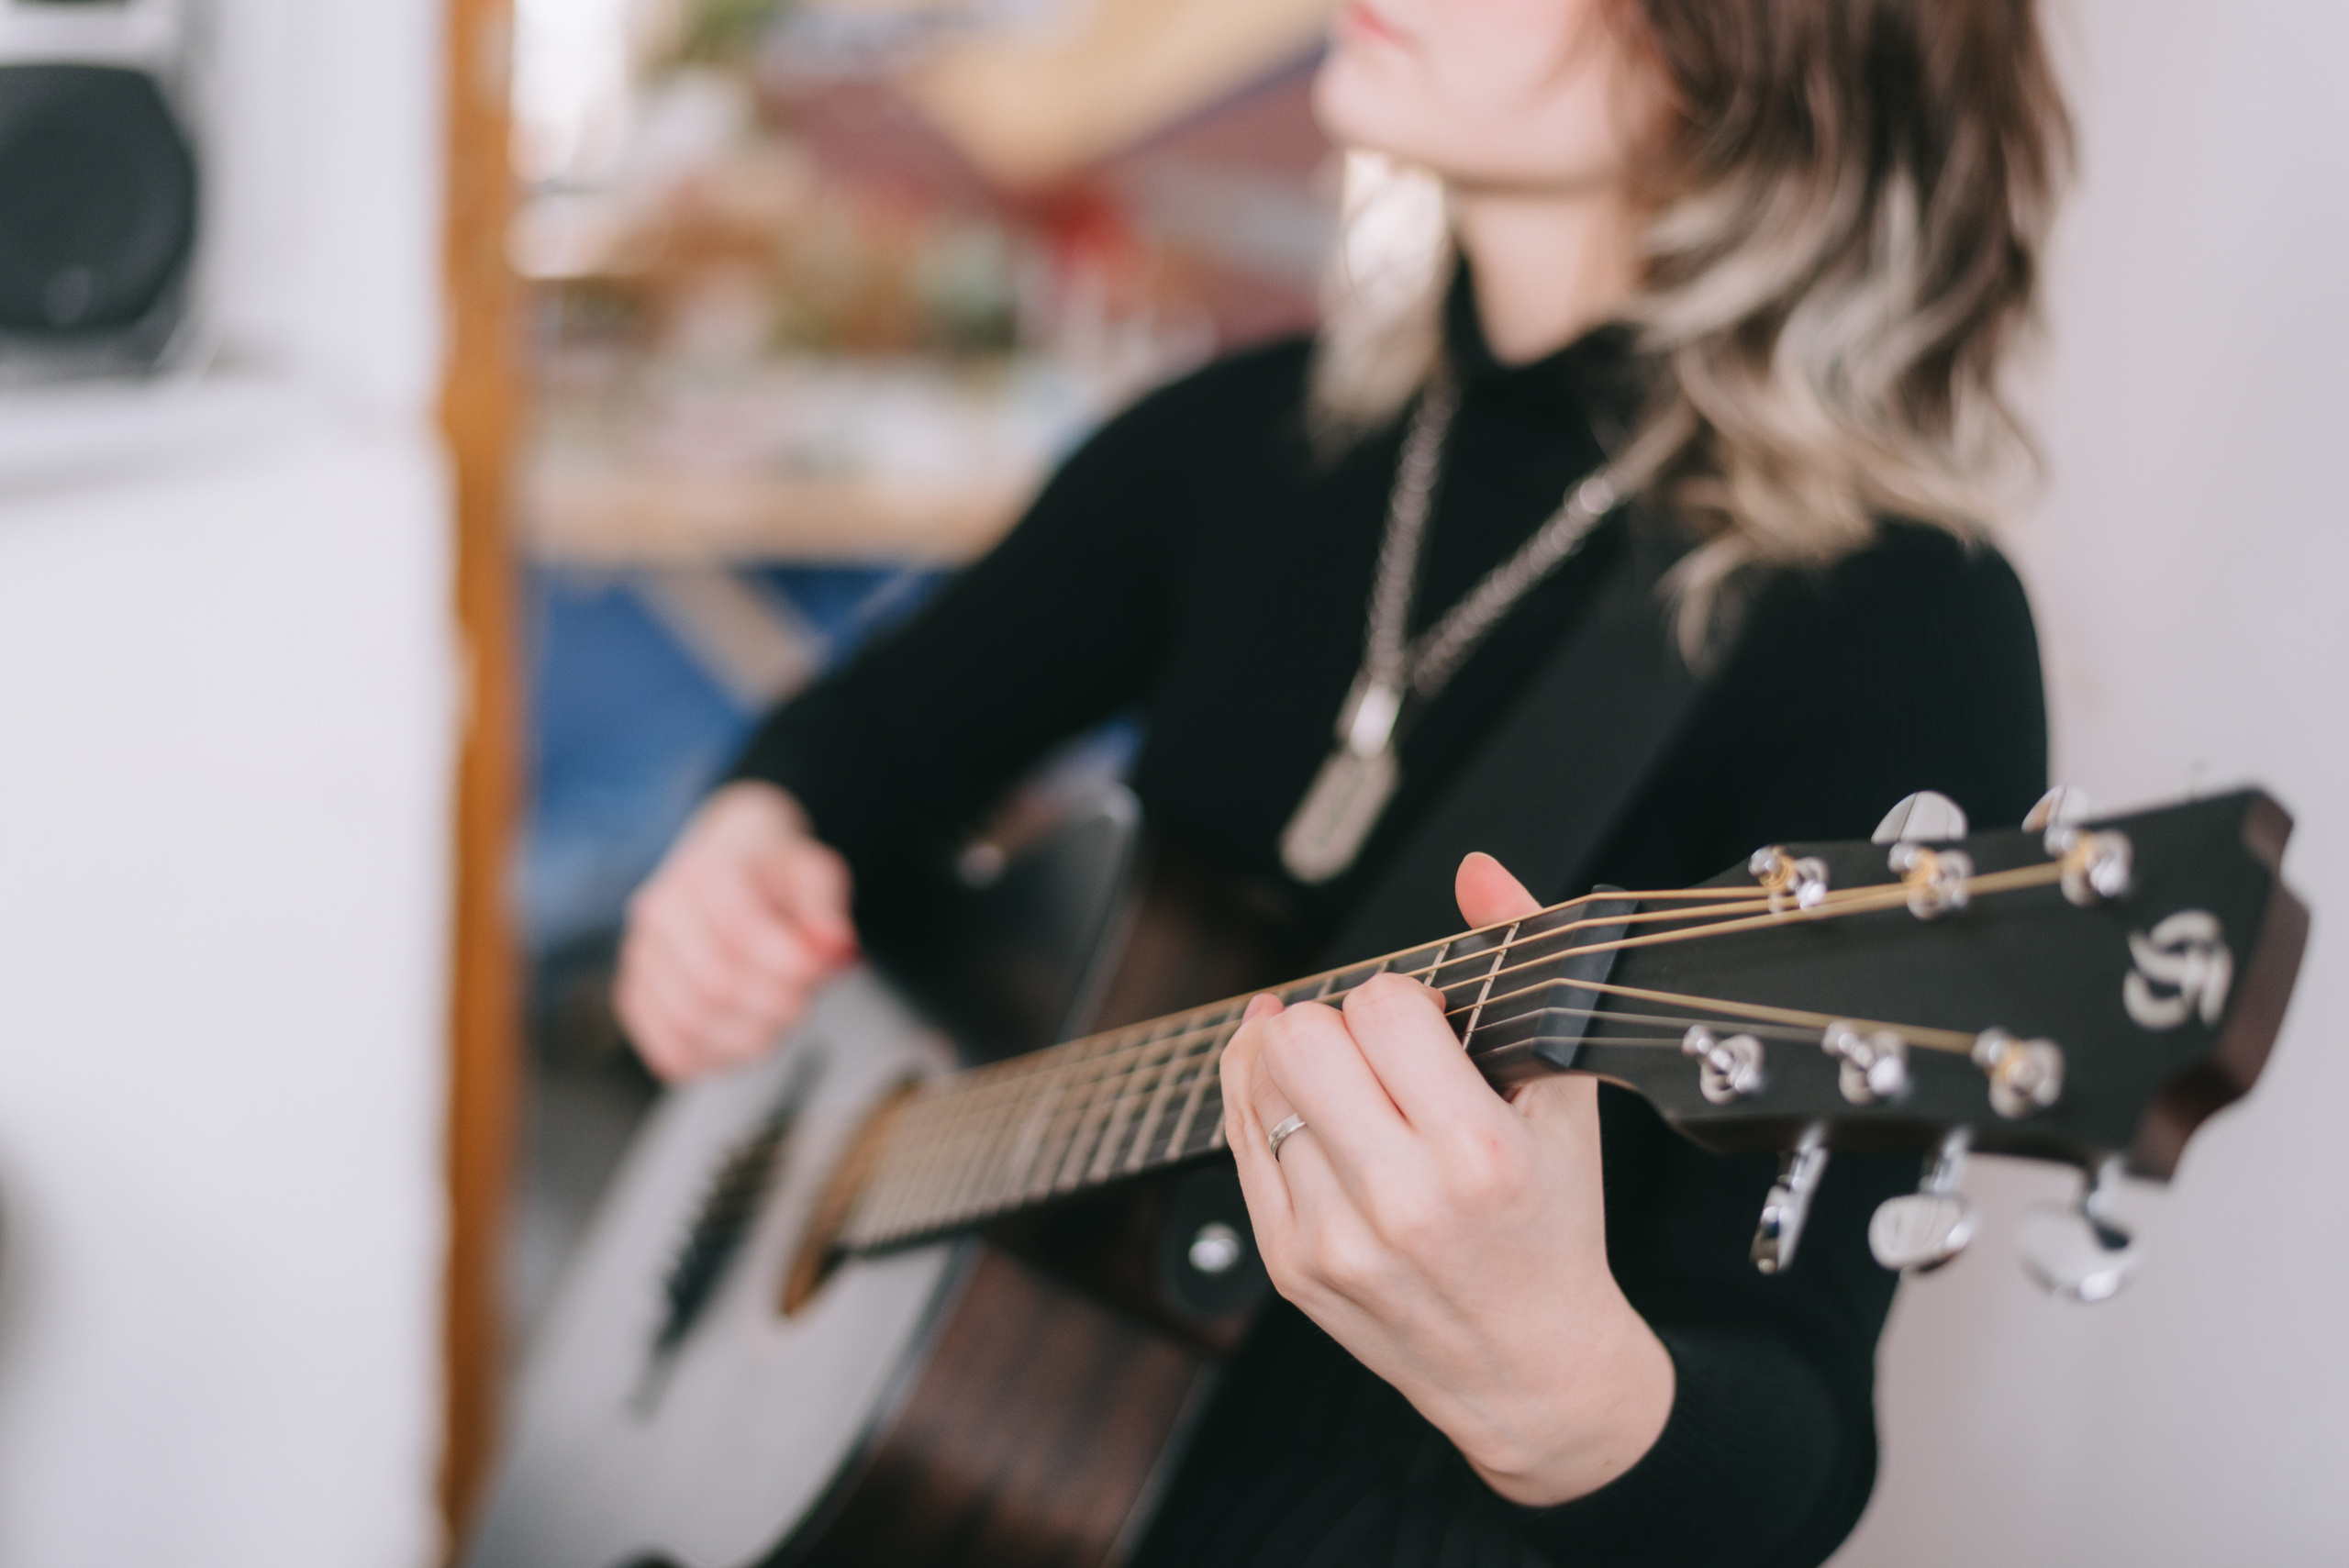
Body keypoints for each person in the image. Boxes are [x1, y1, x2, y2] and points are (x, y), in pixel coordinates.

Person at [612, 0, 2068, 1562]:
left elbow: (1794, 1435)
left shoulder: (1900, 625)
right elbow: (874, 734)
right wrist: (746, 840)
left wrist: (1563, 1392)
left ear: (1757, 39)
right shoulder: (1245, 436)